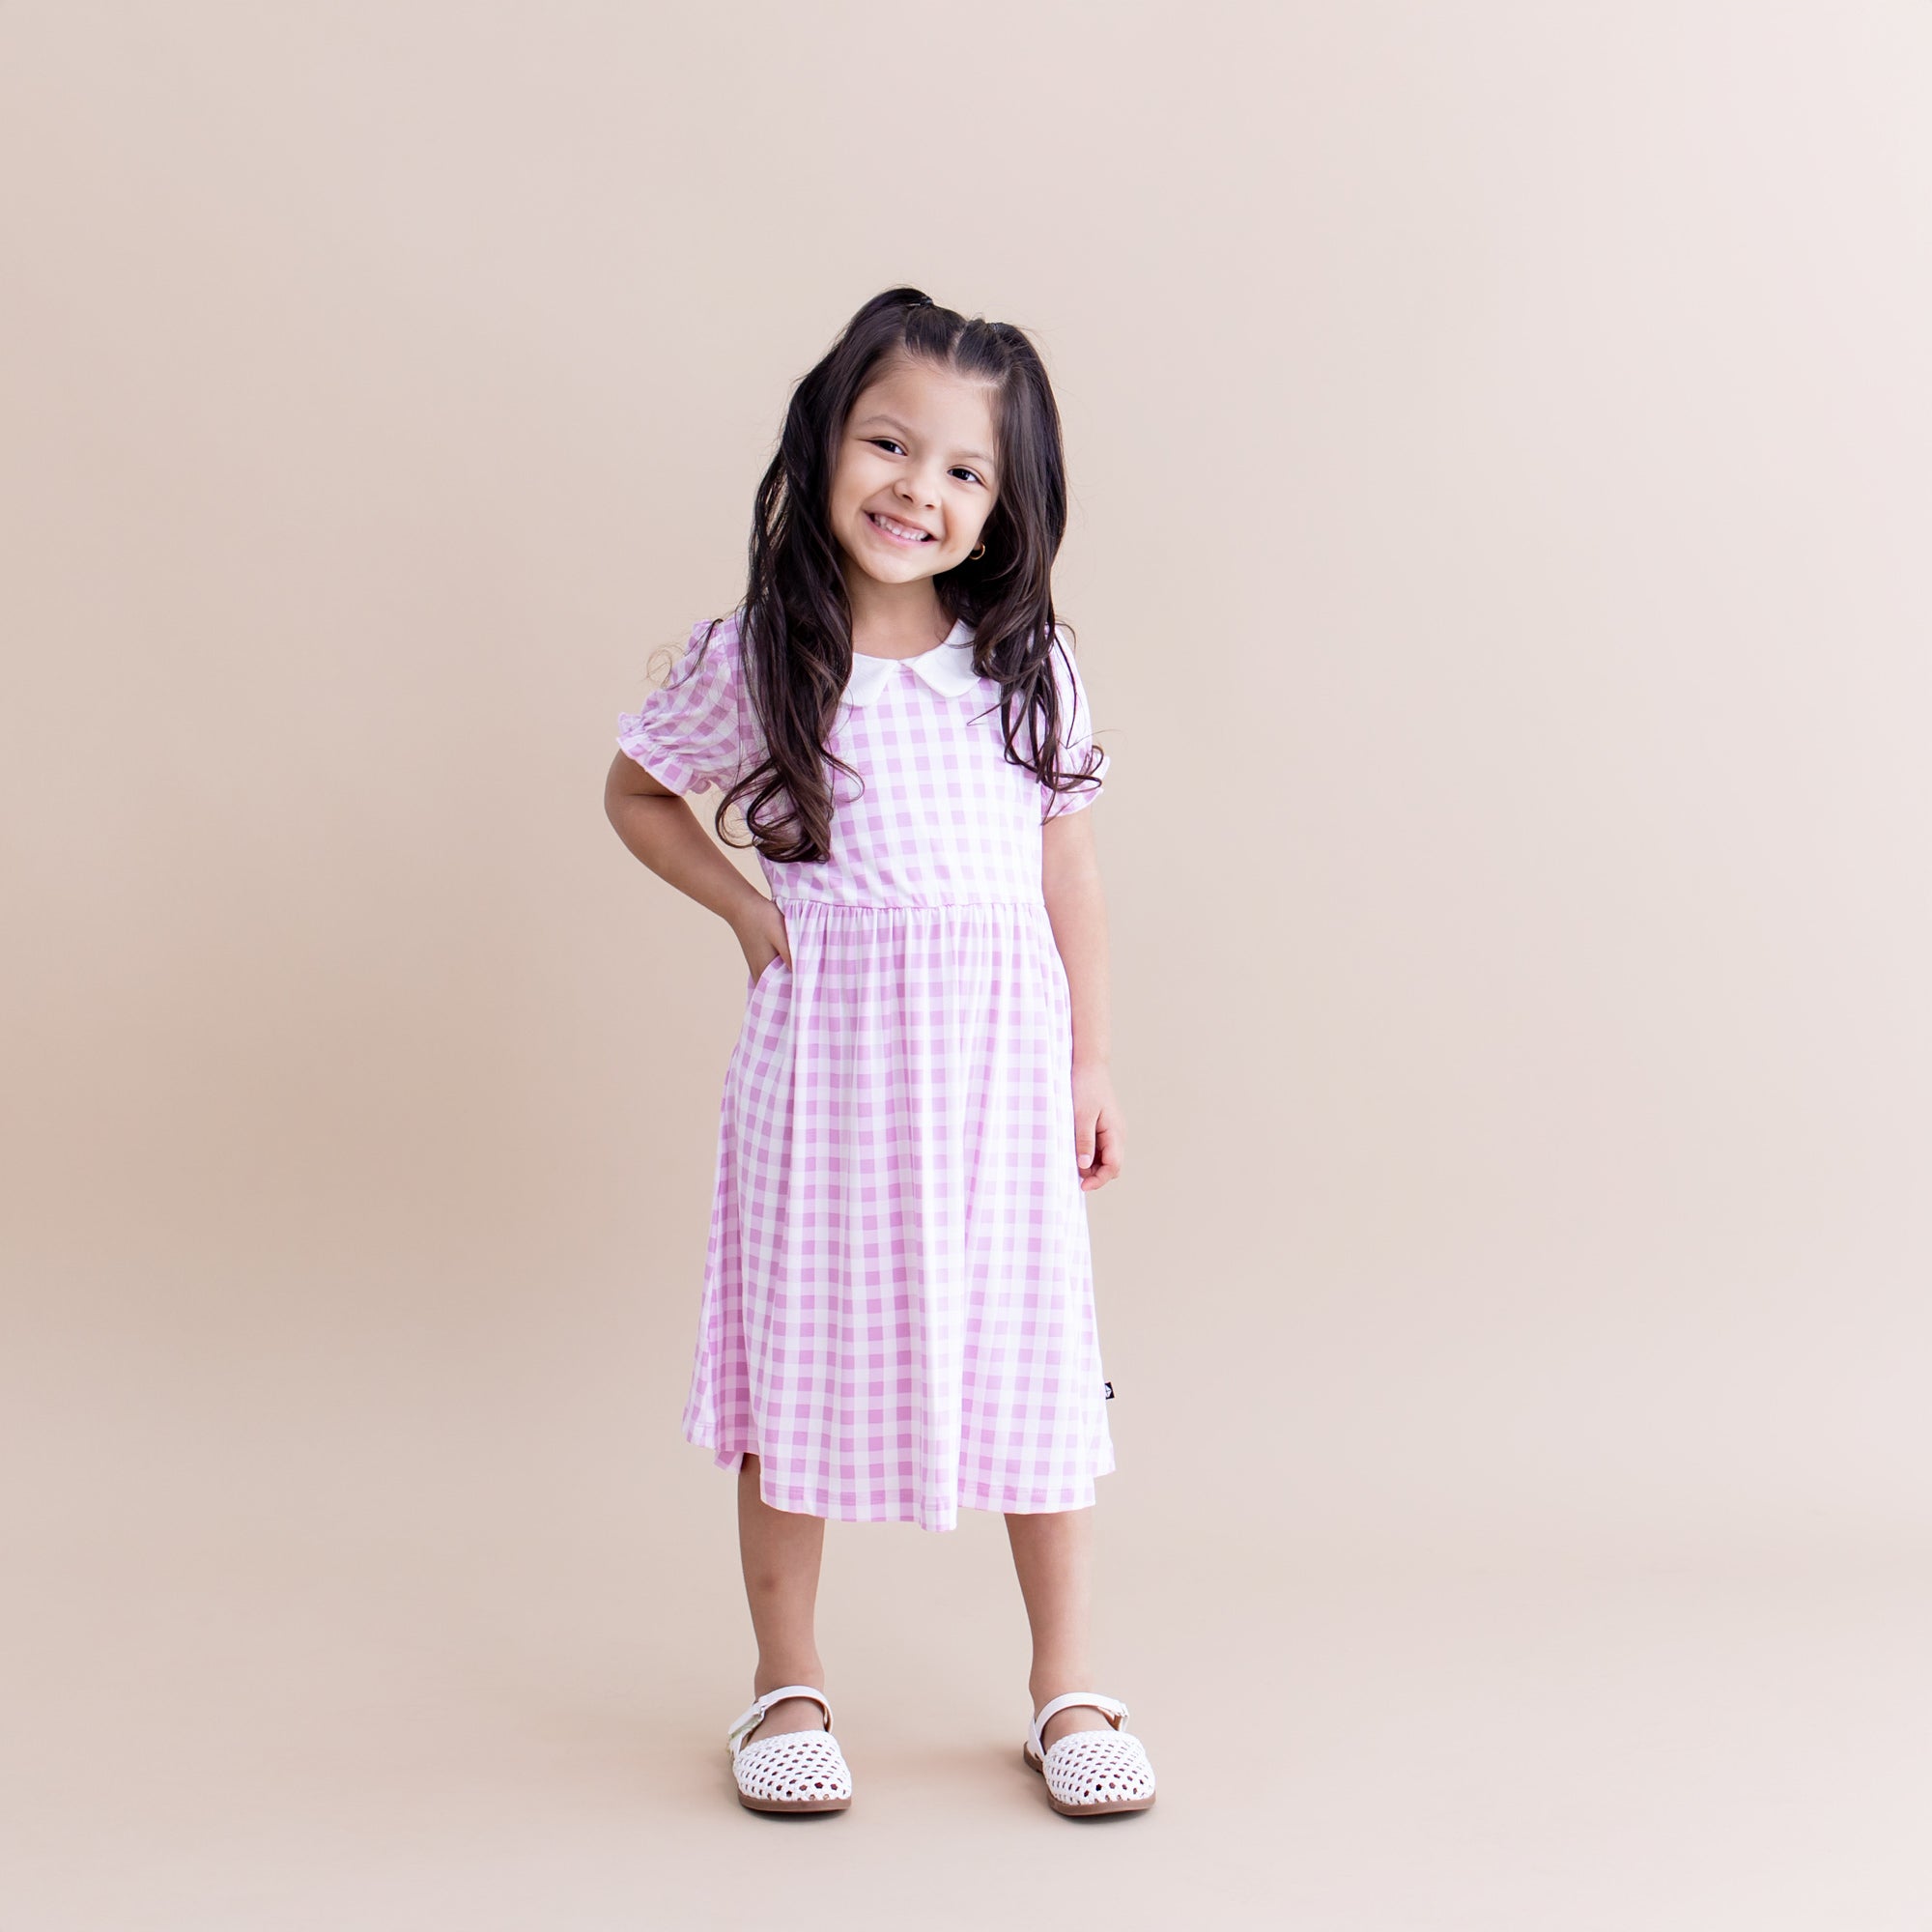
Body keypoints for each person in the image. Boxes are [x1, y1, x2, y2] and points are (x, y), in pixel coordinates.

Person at [603, 288, 1155, 1819]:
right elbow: (638, 792)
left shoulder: (1026, 666)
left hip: (997, 1072)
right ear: (828, 442)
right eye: (890, 443)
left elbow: (1072, 881)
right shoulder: (763, 658)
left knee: (1036, 1370)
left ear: (1005, 502)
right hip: (830, 1077)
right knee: (802, 1366)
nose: (921, 487)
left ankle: (1069, 1685)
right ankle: (786, 1679)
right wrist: (741, 910)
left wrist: (1089, 1064)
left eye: (965, 469)